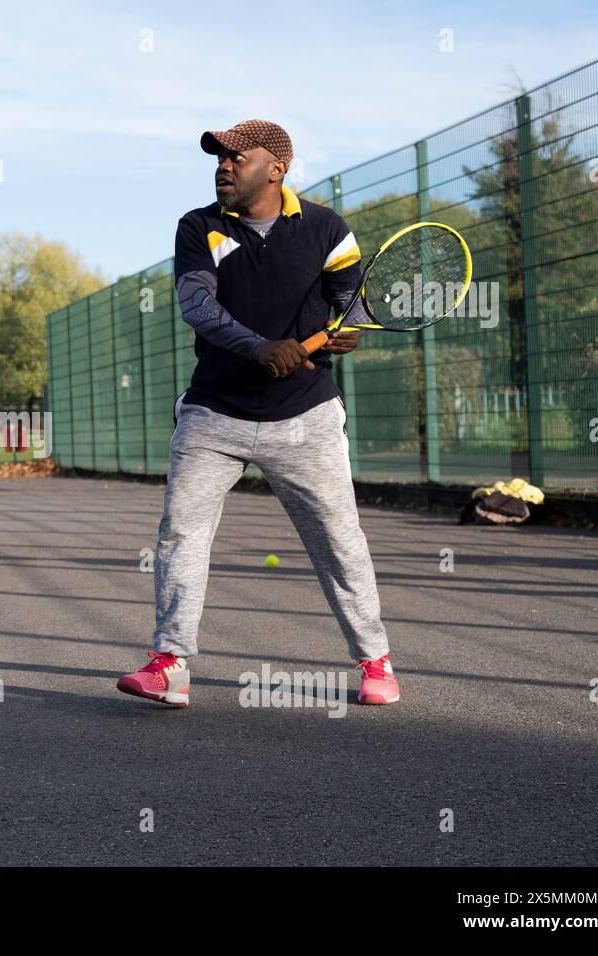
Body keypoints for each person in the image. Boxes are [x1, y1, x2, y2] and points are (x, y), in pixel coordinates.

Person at [116, 119, 400, 709]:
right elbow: (197, 305)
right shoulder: (198, 226)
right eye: (218, 158)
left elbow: (352, 307)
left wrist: (348, 334)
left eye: (235, 158)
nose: (222, 166)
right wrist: (259, 347)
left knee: (339, 540)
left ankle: (375, 660)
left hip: (306, 418)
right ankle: (170, 665)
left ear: (275, 169)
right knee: (181, 532)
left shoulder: (327, 228)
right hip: (213, 414)